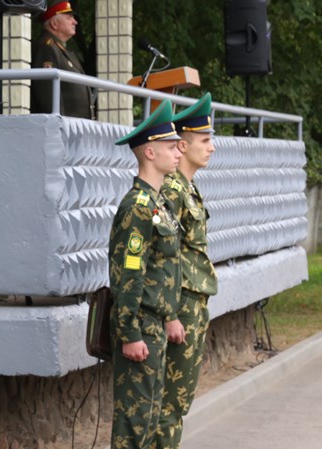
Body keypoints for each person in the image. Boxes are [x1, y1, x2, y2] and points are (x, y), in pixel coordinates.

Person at [109, 99, 184, 449]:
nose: (178, 152)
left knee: (150, 420)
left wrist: (169, 316)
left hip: (154, 325)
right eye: (171, 147)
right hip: (140, 327)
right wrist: (129, 333)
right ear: (150, 153)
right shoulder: (138, 208)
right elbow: (129, 273)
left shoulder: (158, 205)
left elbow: (161, 269)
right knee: (134, 426)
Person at [155, 93, 218, 449]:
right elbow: (163, 257)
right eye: (204, 140)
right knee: (169, 402)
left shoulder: (187, 188)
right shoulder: (172, 190)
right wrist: (170, 314)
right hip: (179, 306)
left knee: (177, 402)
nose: (212, 147)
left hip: (191, 303)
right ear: (183, 144)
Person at [30, 1, 94, 119]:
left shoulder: (62, 50)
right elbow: (47, 93)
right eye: (69, 18)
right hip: (63, 126)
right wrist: (58, 124)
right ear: (54, 23)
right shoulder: (47, 48)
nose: (75, 22)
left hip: (74, 125)